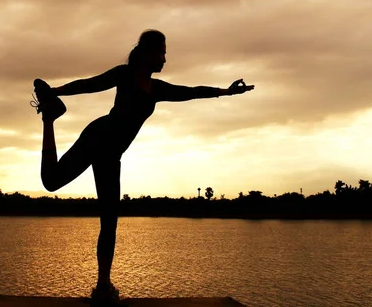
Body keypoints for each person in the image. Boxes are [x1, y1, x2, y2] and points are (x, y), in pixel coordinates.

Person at [30, 29, 254, 301]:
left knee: (109, 222)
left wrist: (227, 92)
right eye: (161, 52)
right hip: (98, 137)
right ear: (147, 53)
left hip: (112, 156)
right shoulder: (123, 75)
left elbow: (191, 92)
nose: (164, 59)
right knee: (51, 182)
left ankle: (103, 286)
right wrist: (54, 91)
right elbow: (90, 84)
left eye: (165, 53)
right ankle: (50, 117)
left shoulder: (157, 90)